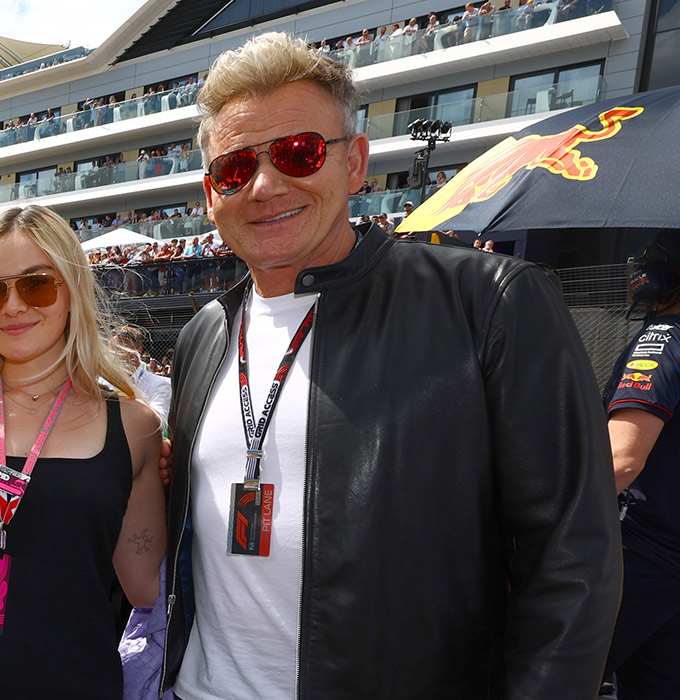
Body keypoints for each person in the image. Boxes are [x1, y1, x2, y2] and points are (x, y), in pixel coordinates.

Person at [162, 32, 620, 699]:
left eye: (298, 152)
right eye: (235, 169)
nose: (264, 185)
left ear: (355, 165)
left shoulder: (489, 303)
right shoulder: (202, 334)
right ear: (211, 195)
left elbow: (574, 561)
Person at [0, 205, 165, 699]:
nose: (13, 306)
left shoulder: (134, 426)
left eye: (36, 284)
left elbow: (147, 587)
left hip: (74, 683)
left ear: (71, 291)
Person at [602, 232, 680, 699]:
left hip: (640, 557)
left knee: (548, 678)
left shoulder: (664, 338)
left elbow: (621, 459)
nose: (639, 265)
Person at [111, 325, 172, 419]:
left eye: (121, 349)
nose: (115, 354)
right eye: (112, 349)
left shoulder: (160, 384)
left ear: (138, 351)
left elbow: (159, 424)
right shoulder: (100, 382)